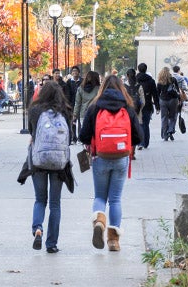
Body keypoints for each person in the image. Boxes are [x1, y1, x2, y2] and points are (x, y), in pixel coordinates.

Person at [78, 75, 142, 252]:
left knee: (100, 197)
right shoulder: (127, 107)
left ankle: (99, 221)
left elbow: (83, 135)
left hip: (100, 157)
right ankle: (113, 241)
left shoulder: (95, 107)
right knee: (115, 199)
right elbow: (139, 136)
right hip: (121, 158)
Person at [27, 81, 72, 254]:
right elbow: (69, 137)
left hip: (39, 159)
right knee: (55, 203)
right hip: (58, 162)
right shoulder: (65, 111)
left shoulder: (34, 110)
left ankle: (38, 228)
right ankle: (51, 244)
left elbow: (32, 132)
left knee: (40, 199)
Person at [135, 63, 160, 149]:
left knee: (138, 124)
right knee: (145, 124)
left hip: (136, 106)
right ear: (146, 69)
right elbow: (155, 95)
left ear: (138, 69)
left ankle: (140, 142)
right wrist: (157, 106)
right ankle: (145, 142)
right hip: (147, 105)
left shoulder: (135, 79)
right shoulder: (151, 81)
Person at [157, 66, 181, 141]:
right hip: (173, 100)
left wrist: (157, 104)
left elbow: (157, 93)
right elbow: (177, 90)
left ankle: (165, 135)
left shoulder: (160, 82)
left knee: (164, 118)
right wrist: (179, 99)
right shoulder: (173, 80)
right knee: (173, 116)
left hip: (163, 100)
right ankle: (170, 130)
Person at [124, 68, 144, 157]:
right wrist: (140, 110)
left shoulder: (123, 86)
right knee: (134, 131)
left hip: (125, 113)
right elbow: (143, 101)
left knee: (126, 132)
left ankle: (127, 151)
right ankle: (133, 152)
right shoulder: (139, 86)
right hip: (136, 112)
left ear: (127, 76)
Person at [73, 71, 100, 135]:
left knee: (86, 134)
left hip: (84, 113)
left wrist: (75, 115)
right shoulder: (99, 88)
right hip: (96, 113)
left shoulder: (80, 88)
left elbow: (77, 103)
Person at [65, 66, 82, 142]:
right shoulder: (69, 82)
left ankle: (80, 137)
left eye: (76, 71)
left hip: (81, 105)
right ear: (71, 73)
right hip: (72, 104)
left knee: (80, 122)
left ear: (79, 72)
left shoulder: (82, 81)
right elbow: (67, 94)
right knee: (73, 121)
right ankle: (73, 137)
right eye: (73, 71)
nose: (75, 72)